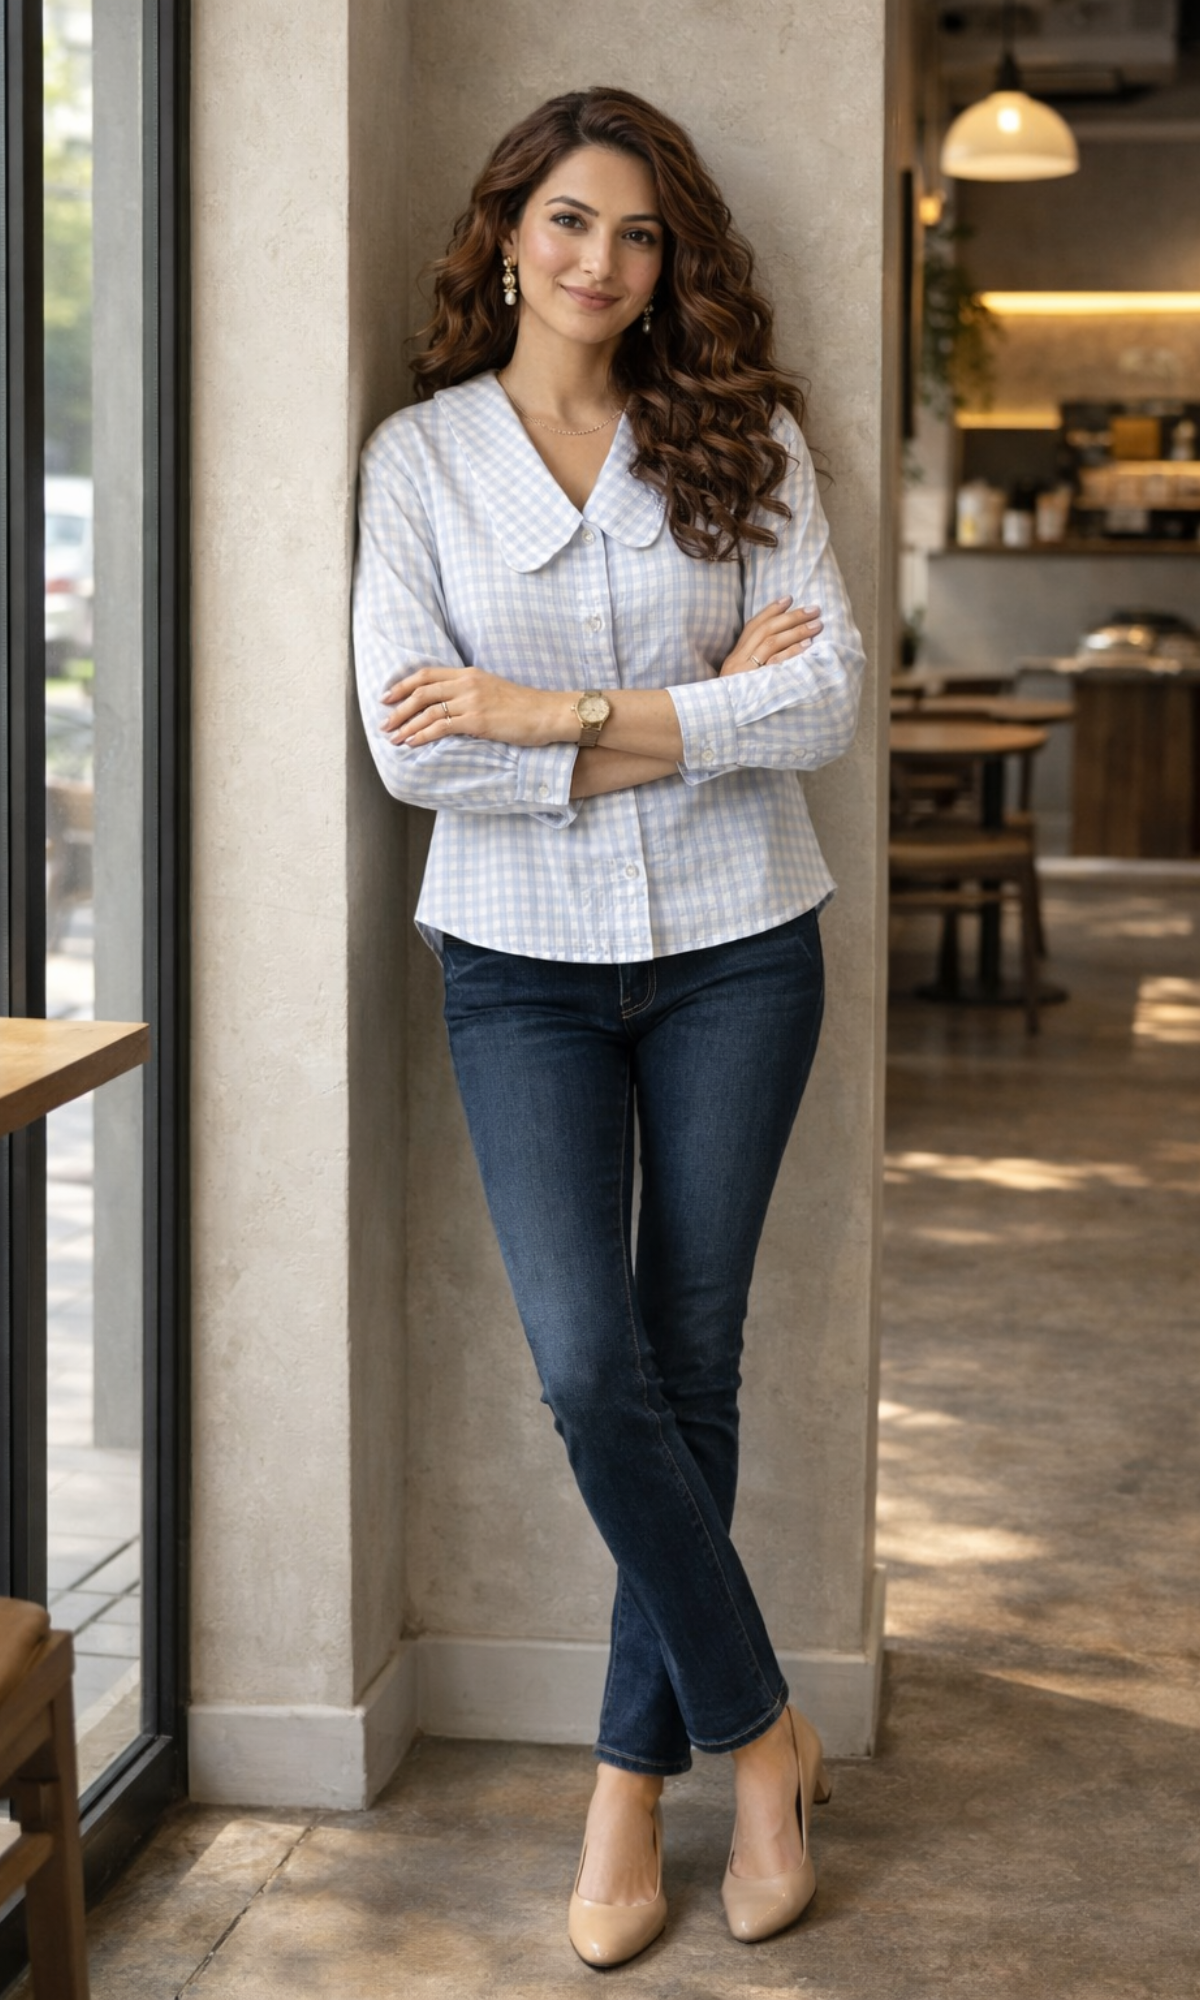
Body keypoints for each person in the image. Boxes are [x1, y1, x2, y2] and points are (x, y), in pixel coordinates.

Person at [352, 86, 866, 1968]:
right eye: (570, 221)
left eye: (640, 235)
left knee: (692, 1359)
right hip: (514, 966)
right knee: (591, 1369)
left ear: (672, 265)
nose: (601, 262)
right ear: (506, 234)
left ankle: (630, 1785)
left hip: (746, 946)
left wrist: (545, 712)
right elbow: (412, 748)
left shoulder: (743, 438)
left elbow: (821, 708)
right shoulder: (417, 463)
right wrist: (679, 709)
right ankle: (763, 1731)